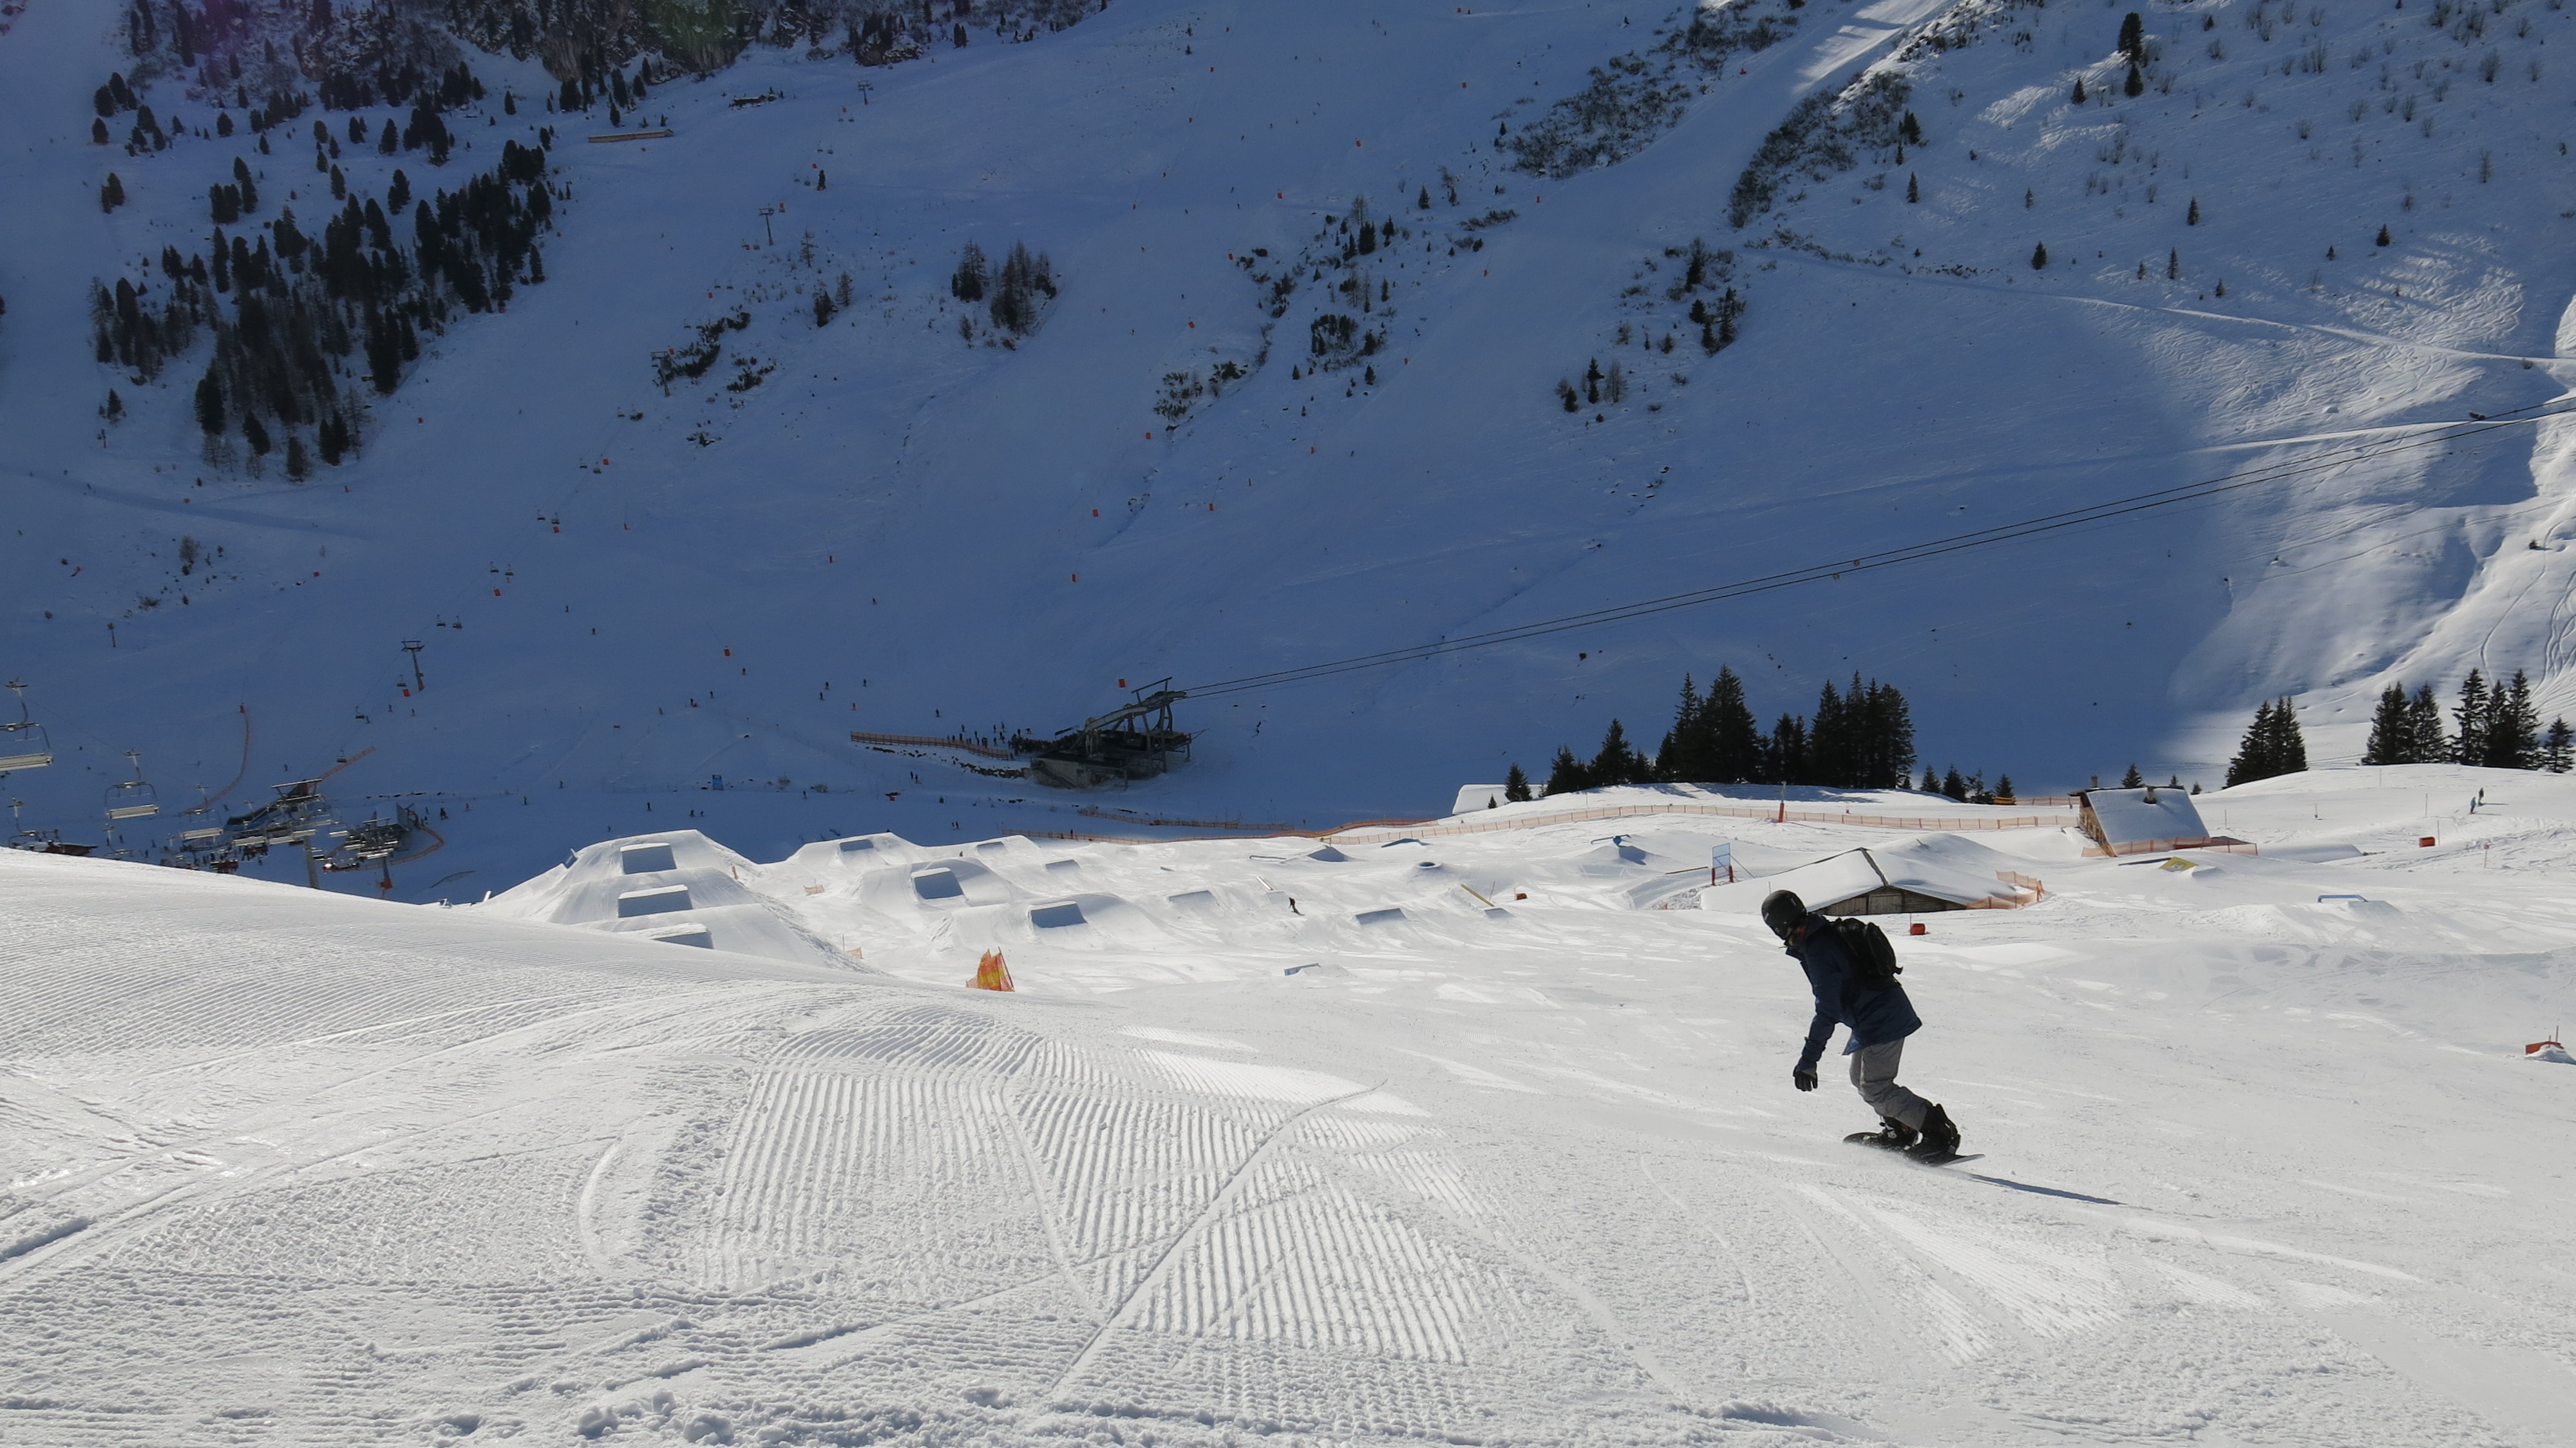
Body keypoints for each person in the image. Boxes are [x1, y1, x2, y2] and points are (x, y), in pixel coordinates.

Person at [1761, 888, 1961, 1159]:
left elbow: (1827, 1010)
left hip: (1882, 1017)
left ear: (1781, 925)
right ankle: (1899, 1129)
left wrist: (1809, 1060)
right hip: (1873, 1016)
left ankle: (1939, 1133)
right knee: (1861, 1079)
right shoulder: (1818, 936)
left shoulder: (1819, 948)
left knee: (1875, 1086)